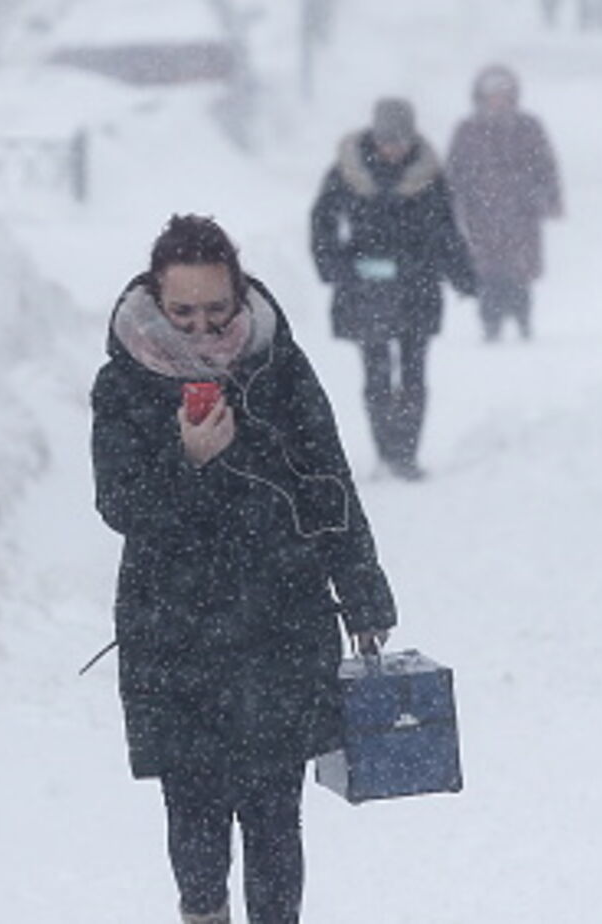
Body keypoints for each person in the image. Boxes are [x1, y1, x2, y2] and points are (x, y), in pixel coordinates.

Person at [91, 214, 397, 924]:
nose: (201, 330)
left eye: (216, 310)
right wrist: (189, 461)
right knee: (195, 827)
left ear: (240, 295)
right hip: (174, 629)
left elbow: (330, 485)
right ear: (156, 302)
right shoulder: (124, 385)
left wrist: (363, 595)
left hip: (280, 618)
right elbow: (120, 504)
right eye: (184, 312)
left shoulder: (279, 367)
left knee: (273, 819)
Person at [309, 97, 477, 481]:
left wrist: (462, 275)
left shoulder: (430, 176)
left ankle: (407, 452)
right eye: (387, 140)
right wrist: (333, 265)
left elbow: (446, 231)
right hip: (364, 286)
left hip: (418, 285)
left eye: (400, 140)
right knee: (376, 370)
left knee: (414, 372)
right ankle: (386, 448)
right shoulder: (346, 171)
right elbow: (323, 222)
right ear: (374, 136)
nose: (393, 148)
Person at [447, 65, 563, 343]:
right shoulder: (468, 130)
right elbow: (454, 170)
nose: (498, 100)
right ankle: (490, 321)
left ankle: (522, 318)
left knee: (518, 270)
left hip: (522, 212)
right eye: (492, 95)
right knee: (487, 271)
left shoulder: (528, 127)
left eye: (503, 94)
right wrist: (452, 204)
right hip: (481, 213)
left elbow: (546, 166)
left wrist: (549, 198)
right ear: (480, 97)